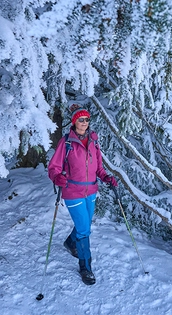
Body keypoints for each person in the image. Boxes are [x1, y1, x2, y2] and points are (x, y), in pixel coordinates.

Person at [47, 104, 118, 285]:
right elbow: (54, 167)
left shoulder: (94, 141)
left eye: (87, 119)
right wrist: (57, 178)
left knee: (84, 223)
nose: (84, 122)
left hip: (91, 190)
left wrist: (107, 178)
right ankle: (85, 266)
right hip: (73, 191)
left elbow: (99, 168)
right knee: (85, 229)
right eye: (80, 119)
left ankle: (71, 243)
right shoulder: (67, 142)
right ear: (74, 121)